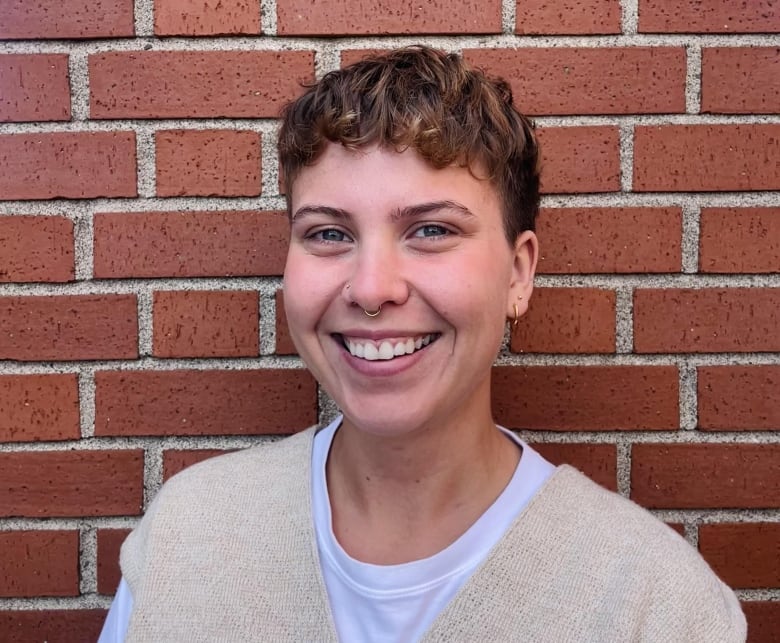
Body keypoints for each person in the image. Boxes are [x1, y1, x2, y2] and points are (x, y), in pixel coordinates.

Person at [99, 46, 745, 642]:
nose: (372, 288)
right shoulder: (187, 542)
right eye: (328, 234)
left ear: (518, 273)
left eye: (431, 229)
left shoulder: (655, 606)